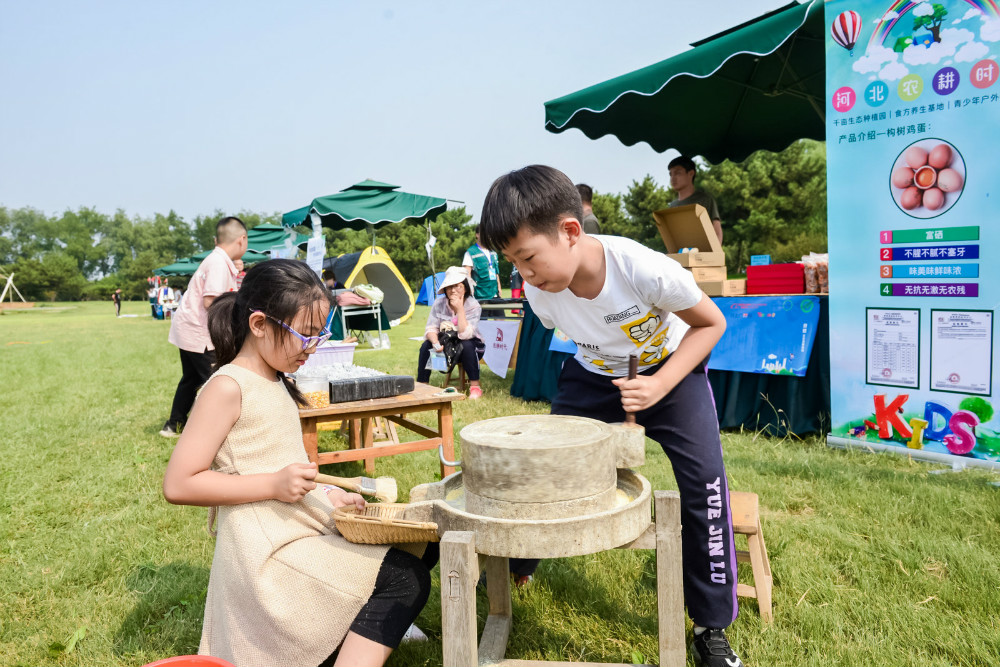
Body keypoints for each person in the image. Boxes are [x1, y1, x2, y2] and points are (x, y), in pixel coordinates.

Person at [480, 165, 742, 667]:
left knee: (704, 485)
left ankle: (711, 627)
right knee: (545, 467)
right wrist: (615, 388)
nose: (526, 275)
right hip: (594, 374)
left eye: (529, 257)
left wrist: (659, 384)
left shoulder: (641, 268)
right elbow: (592, 341)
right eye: (514, 263)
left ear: (571, 231)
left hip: (670, 372)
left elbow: (712, 324)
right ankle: (520, 561)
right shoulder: (539, 292)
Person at [162, 259, 435, 667]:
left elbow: (281, 463)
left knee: (421, 545)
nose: (313, 347)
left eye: (319, 334)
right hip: (265, 551)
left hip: (294, 525)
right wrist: (273, 485)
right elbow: (179, 484)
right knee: (405, 578)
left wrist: (329, 495)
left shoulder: (276, 379)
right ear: (259, 324)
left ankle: (354, 629)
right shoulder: (226, 387)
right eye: (304, 335)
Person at [160, 216, 248, 438]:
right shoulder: (218, 263)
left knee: (190, 378)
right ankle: (213, 430)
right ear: (242, 240)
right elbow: (211, 301)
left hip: (189, 329)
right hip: (199, 333)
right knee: (215, 381)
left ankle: (174, 424)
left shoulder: (218, 260)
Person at [416, 265, 485, 399]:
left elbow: (465, 335)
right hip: (446, 344)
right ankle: (422, 385)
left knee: (467, 345)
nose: (452, 290)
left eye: (457, 286)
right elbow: (431, 328)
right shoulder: (439, 303)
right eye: (449, 287)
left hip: (471, 346)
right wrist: (436, 343)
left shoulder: (473, 306)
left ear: (465, 287)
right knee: (425, 346)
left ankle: (475, 387)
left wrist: (460, 310)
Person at [667, 156, 723, 244]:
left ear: (691, 173)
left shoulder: (705, 200)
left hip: (703, 255)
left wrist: (714, 255)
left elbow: (717, 232)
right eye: (671, 174)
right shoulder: (672, 206)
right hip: (679, 255)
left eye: (678, 173)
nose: (673, 178)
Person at [462, 224, 501, 301]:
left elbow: (496, 273)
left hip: (495, 294)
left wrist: (499, 287)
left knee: (500, 313)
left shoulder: (493, 252)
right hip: (480, 295)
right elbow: (466, 274)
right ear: (477, 235)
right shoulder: (470, 252)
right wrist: (470, 291)